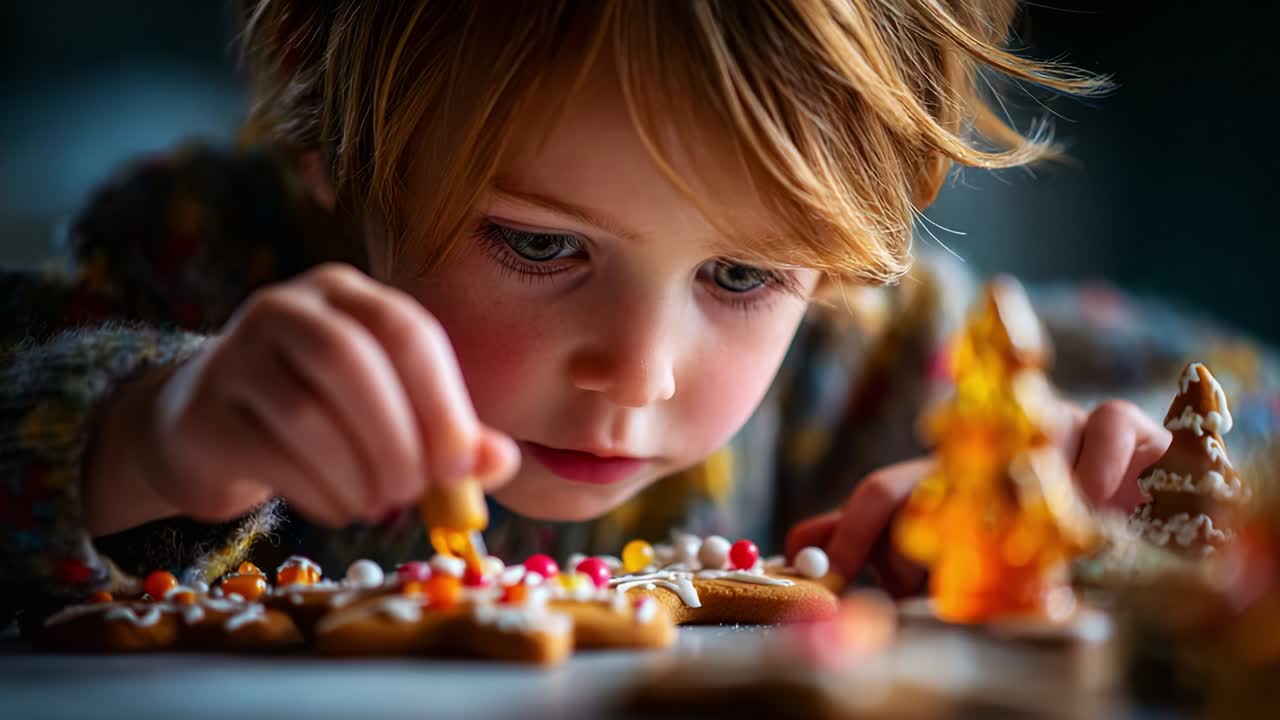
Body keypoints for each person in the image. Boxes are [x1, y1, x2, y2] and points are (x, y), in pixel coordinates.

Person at [2, 1, 1272, 624]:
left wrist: (1145, 497)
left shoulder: (890, 359)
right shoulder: (206, 259)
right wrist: (149, 437)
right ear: (326, 122)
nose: (640, 373)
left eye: (740, 276)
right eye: (540, 243)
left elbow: (1241, 402)